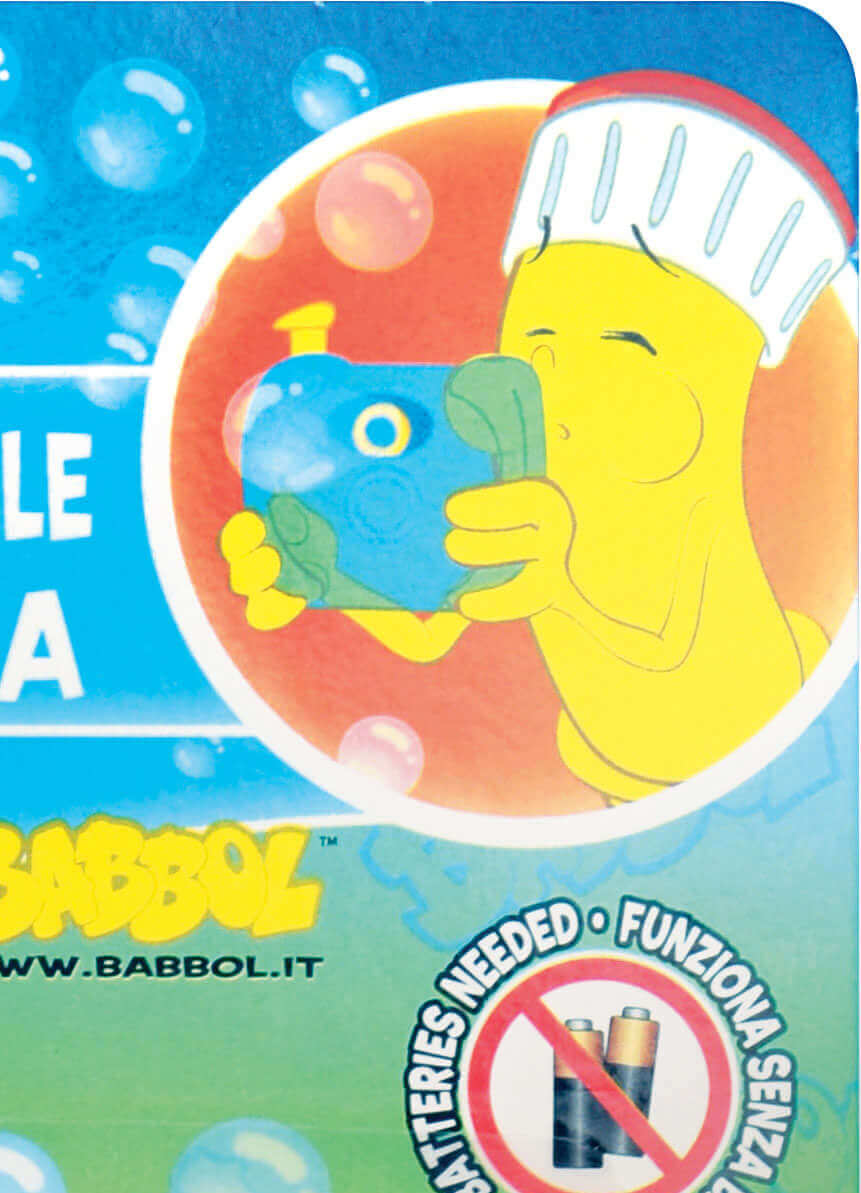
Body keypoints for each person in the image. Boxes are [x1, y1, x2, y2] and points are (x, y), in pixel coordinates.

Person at [223, 75, 853, 799]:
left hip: (758, 763)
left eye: (623, 345)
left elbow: (673, 657)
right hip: (613, 780)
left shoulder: (680, 534)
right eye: (535, 342)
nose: (551, 376)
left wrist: (564, 592)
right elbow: (427, 634)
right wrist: (328, 575)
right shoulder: (514, 496)